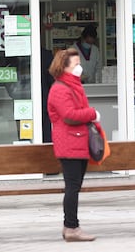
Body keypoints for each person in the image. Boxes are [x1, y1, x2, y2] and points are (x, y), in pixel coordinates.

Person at [47, 48, 100, 242]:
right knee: (72, 187)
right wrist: (92, 114)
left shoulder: (72, 85)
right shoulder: (60, 89)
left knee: (74, 187)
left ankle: (70, 226)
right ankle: (71, 227)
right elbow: (69, 115)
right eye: (76, 64)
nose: (80, 67)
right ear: (64, 67)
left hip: (77, 142)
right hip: (70, 143)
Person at [41, 46, 54, 143]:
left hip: (21, 100)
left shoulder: (18, 53)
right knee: (46, 136)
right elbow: (52, 79)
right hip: (44, 99)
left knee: (25, 133)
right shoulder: (46, 55)